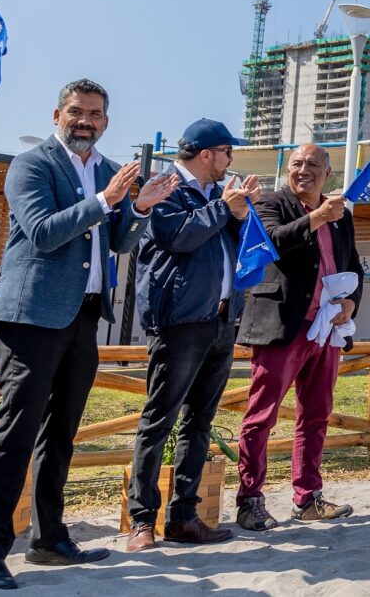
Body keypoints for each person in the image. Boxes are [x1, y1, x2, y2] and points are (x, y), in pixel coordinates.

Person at [0, 79, 177, 590]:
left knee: (59, 433)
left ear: (106, 121)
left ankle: (47, 539)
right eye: (76, 112)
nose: (85, 121)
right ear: (56, 115)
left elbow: (120, 243)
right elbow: (42, 232)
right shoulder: (33, 164)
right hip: (31, 315)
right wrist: (106, 200)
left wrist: (139, 209)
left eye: (94, 114)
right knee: (16, 433)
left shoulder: (110, 171)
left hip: (84, 314)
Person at [125, 119, 257, 551]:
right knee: (158, 421)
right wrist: (224, 208)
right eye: (226, 152)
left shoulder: (214, 197)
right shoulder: (165, 188)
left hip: (220, 321)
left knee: (199, 423)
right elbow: (178, 238)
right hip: (180, 323)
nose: (230, 160)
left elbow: (228, 247)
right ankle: (141, 520)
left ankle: (184, 517)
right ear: (206, 154)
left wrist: (239, 213)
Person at [235, 143, 363, 530]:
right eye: (296, 164)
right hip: (282, 325)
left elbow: (353, 263)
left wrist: (352, 304)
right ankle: (249, 500)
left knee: (316, 415)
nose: (302, 170)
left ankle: (307, 498)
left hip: (326, 328)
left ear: (328, 173)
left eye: (311, 164)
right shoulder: (272, 203)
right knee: (261, 415)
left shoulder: (341, 214)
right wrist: (318, 217)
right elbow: (271, 241)